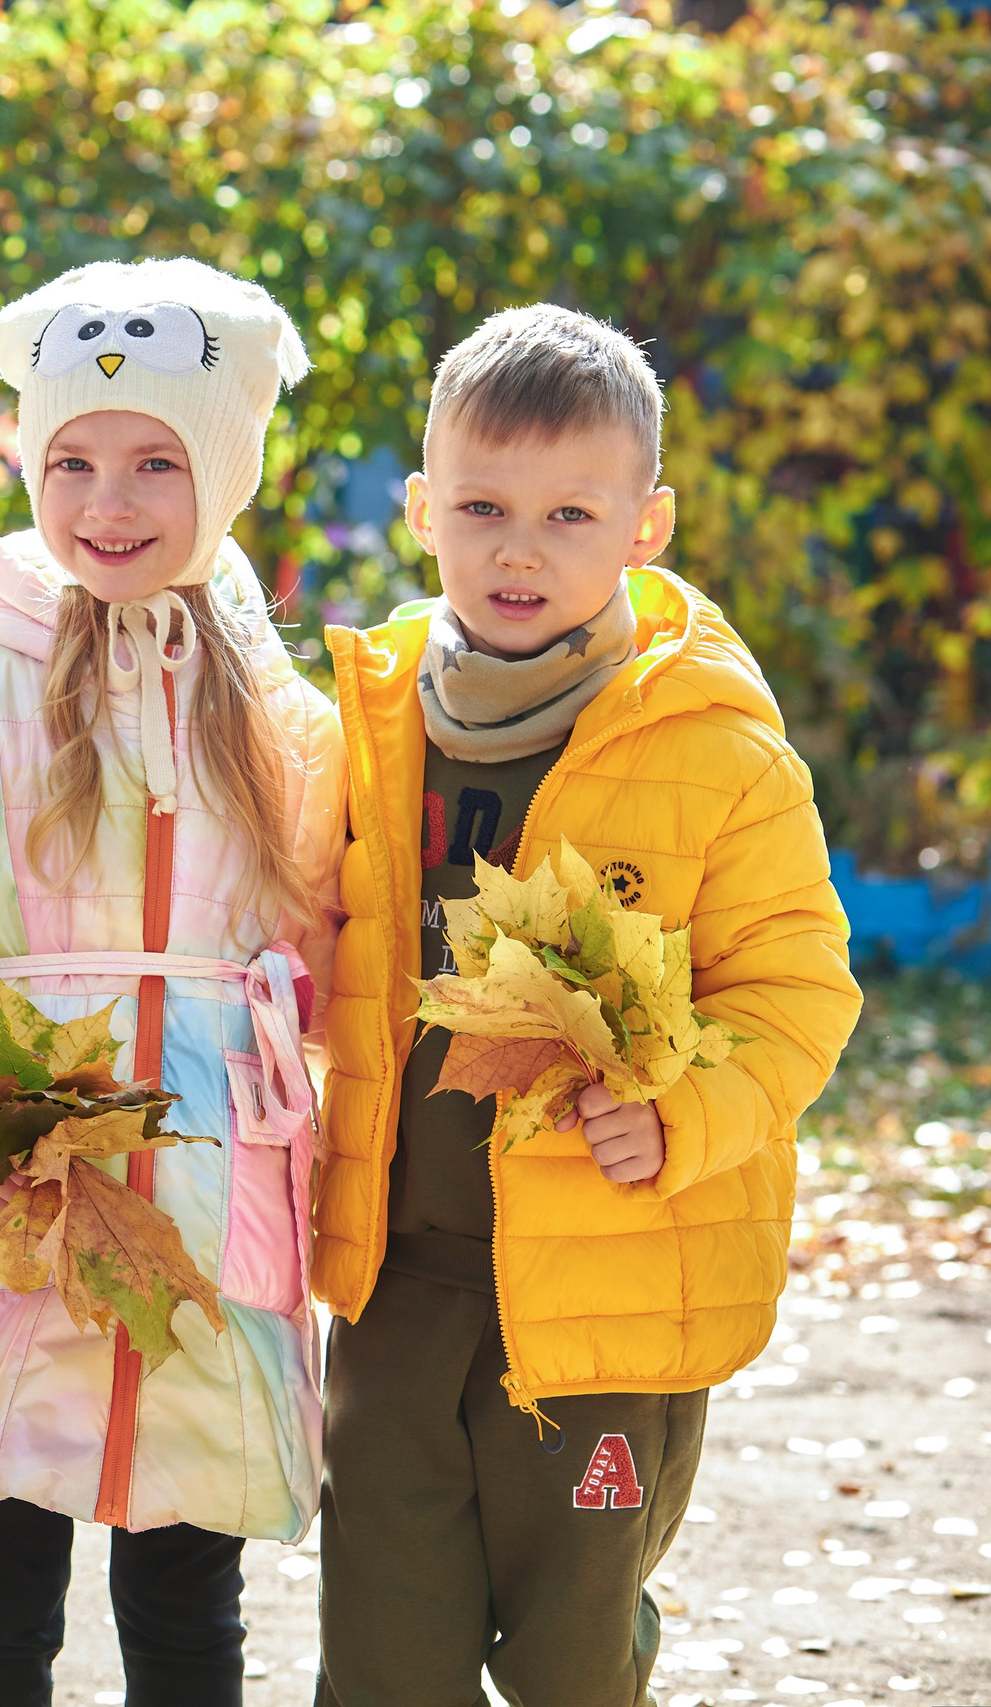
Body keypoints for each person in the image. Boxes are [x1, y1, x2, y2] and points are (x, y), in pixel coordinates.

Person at [310, 304, 863, 1705]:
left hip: (613, 1273)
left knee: (571, 1650)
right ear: (423, 508)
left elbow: (796, 987)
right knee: (384, 1637)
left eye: (570, 513)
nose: (519, 547)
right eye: (483, 506)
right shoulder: (365, 727)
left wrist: (682, 1108)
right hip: (407, 1266)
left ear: (646, 526)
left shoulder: (714, 746)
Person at [0, 258, 346, 1705]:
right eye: (74, 461)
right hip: (12, 1201)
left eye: (156, 463)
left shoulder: (288, 722)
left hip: (202, 1208)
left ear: (226, 474)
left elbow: (335, 959)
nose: (108, 502)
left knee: (189, 1608)